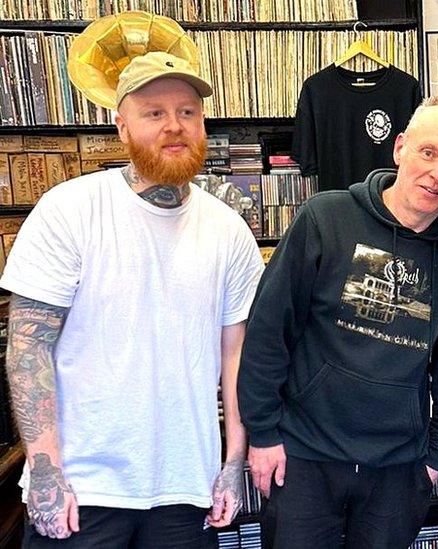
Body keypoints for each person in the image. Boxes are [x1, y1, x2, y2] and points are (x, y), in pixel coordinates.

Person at [3, 51, 265, 547]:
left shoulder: (228, 229)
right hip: (83, 487)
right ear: (121, 127)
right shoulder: (70, 209)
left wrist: (233, 462)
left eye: (187, 112)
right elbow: (27, 347)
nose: (174, 126)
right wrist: (45, 471)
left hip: (185, 484)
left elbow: (237, 357)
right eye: (155, 113)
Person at [238, 97, 438, 548]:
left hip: (397, 470)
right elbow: (269, 333)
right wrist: (263, 433)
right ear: (400, 148)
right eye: (429, 153)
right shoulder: (325, 218)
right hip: (304, 457)